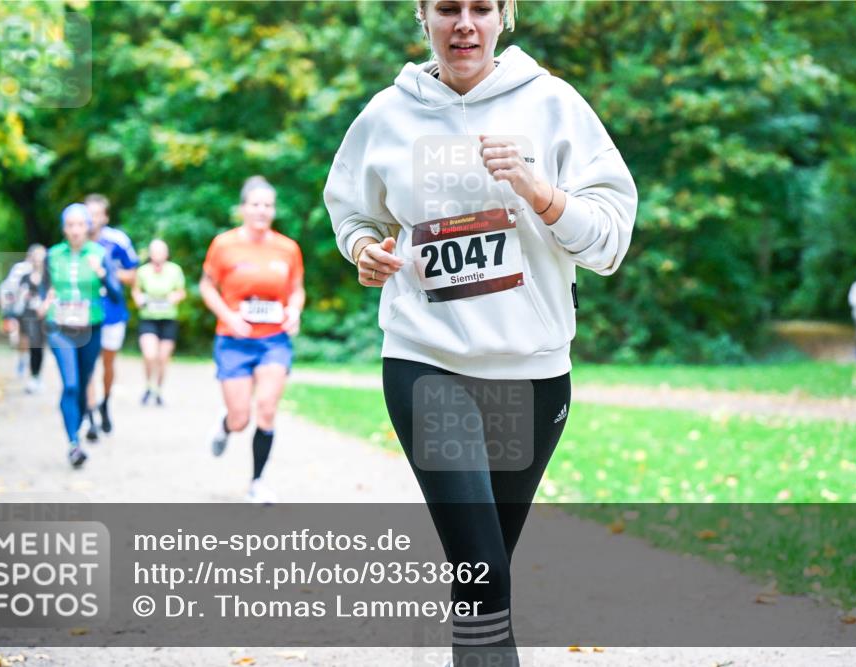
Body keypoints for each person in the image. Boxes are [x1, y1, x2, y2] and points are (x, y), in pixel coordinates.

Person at [323, 1, 637, 665]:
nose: (464, 22)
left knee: (484, 570)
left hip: (532, 373)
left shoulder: (554, 105)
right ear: (423, 16)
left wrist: (539, 191)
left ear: (504, 16)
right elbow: (352, 212)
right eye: (447, 7)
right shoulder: (386, 114)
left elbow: (609, 243)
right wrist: (364, 250)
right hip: (427, 361)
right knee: (483, 572)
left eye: (481, 7)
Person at [200, 176, 305, 503]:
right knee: (240, 418)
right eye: (256, 204)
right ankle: (226, 424)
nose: (262, 210)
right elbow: (206, 286)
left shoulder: (288, 248)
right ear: (243, 208)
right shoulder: (223, 245)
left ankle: (257, 482)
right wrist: (229, 316)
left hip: (273, 340)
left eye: (268, 205)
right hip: (234, 340)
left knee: (267, 409)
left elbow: (297, 290)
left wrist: (294, 310)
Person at [38, 203, 121, 468]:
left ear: (88, 227)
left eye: (80, 225)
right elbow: (44, 289)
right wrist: (43, 302)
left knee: (84, 381)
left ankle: (81, 421)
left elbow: (117, 295)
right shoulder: (53, 255)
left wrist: (102, 274)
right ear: (64, 228)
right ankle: (74, 444)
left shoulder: (99, 253)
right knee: (71, 384)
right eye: (70, 225)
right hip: (59, 326)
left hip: (90, 326)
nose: (75, 230)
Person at [84, 193, 139, 439]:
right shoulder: (77, 242)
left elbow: (132, 275)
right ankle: (90, 415)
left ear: (105, 217)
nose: (92, 220)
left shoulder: (118, 241)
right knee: (87, 365)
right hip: (85, 314)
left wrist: (106, 273)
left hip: (113, 313)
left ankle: (105, 402)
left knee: (108, 363)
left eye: (96, 214)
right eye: (88, 214)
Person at [132, 239, 186, 406]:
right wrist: (138, 299)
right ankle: (149, 385)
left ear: (166, 254)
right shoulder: (142, 271)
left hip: (168, 319)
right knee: (150, 355)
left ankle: (159, 390)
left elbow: (181, 292)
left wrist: (175, 297)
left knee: (163, 358)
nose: (158, 255)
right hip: (148, 318)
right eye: (155, 252)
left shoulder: (175, 270)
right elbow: (136, 290)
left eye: (161, 252)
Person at [0, 244, 46, 387]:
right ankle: (23, 359)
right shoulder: (21, 270)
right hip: (24, 310)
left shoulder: (48, 272)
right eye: (36, 255)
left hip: (41, 313)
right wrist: (8, 305)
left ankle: (35, 374)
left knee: (37, 344)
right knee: (24, 339)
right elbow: (9, 288)